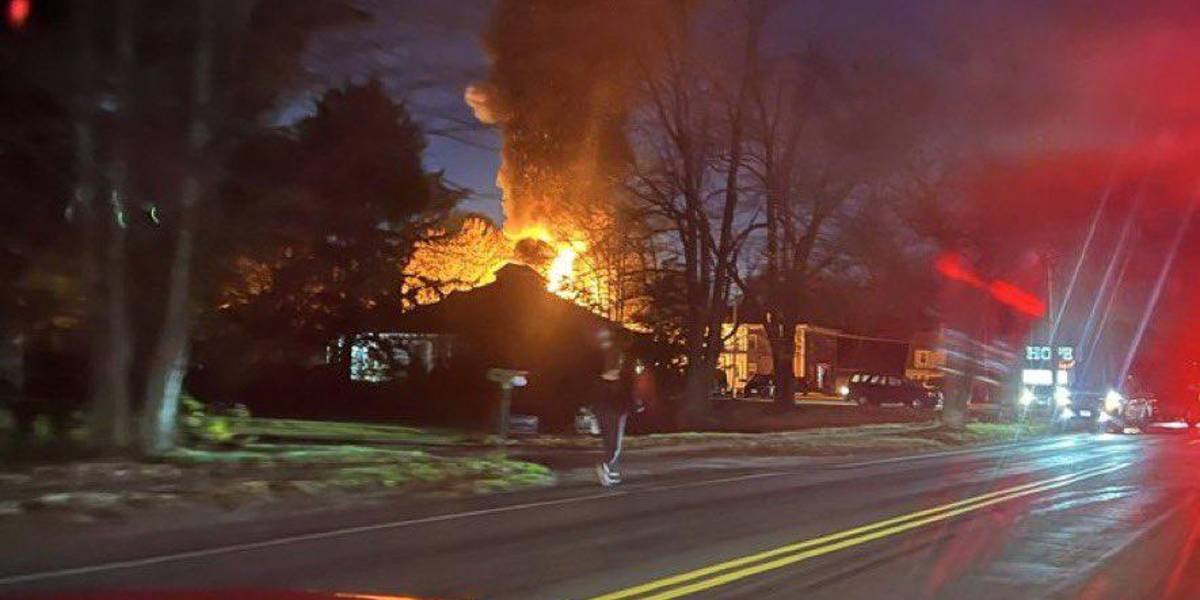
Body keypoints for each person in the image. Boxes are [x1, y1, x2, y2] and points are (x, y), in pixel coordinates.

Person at [591, 326, 643, 486]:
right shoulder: (617, 355)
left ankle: (611, 471)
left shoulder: (605, 354)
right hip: (614, 406)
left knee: (611, 441)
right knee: (614, 443)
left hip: (605, 405)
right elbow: (615, 377)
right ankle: (606, 468)